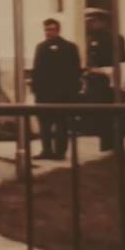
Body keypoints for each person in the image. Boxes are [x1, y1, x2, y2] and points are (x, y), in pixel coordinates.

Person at [31, 18, 81, 160]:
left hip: (62, 94)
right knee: (45, 124)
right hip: (44, 94)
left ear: (58, 30)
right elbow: (37, 70)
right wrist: (35, 89)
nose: (48, 32)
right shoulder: (41, 47)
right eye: (46, 30)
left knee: (61, 124)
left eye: (51, 29)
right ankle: (46, 150)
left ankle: (60, 152)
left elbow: (75, 70)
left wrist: (72, 92)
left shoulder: (69, 47)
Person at [83, 8, 125, 151]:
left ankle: (116, 142)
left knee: (113, 113)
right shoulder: (92, 38)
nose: (90, 24)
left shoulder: (115, 38)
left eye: (94, 21)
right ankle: (105, 143)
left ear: (102, 22)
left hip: (109, 80)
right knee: (101, 115)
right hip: (96, 81)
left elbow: (122, 58)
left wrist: (107, 72)